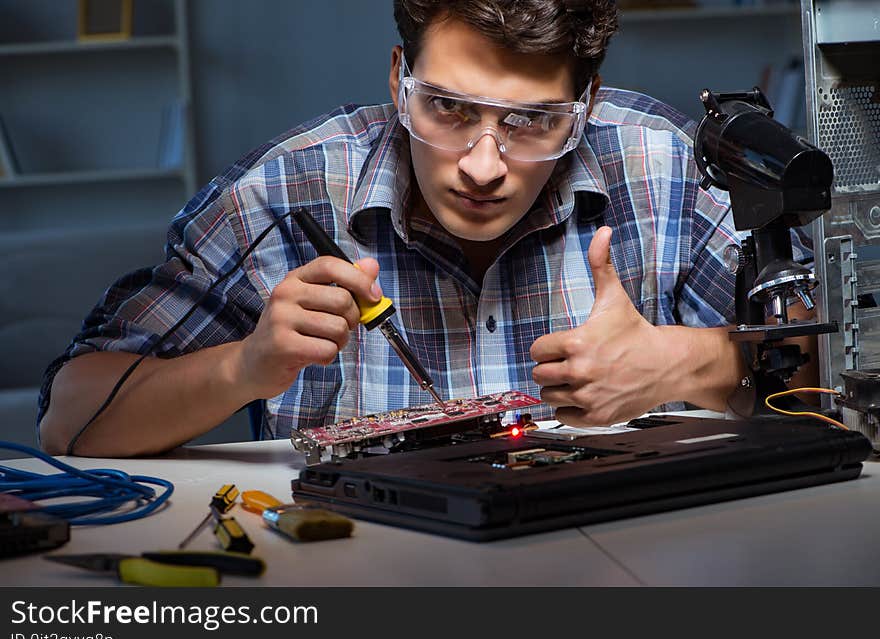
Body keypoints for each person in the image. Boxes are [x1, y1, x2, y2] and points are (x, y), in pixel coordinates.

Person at [40, 0, 794, 458]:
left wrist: (685, 363)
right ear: (399, 79)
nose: (483, 165)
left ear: (587, 104)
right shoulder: (283, 191)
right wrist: (246, 366)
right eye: (449, 108)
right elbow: (71, 419)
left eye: (532, 120)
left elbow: (833, 375)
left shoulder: (662, 165)